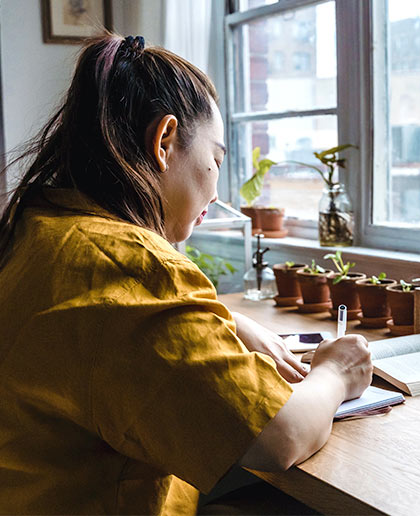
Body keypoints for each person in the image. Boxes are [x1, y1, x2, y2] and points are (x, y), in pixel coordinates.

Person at [0, 34, 373, 515]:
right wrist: (337, 372)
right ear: (164, 141)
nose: (215, 193)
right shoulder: (127, 264)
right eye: (214, 161)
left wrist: (226, 321)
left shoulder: (38, 227)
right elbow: (279, 438)